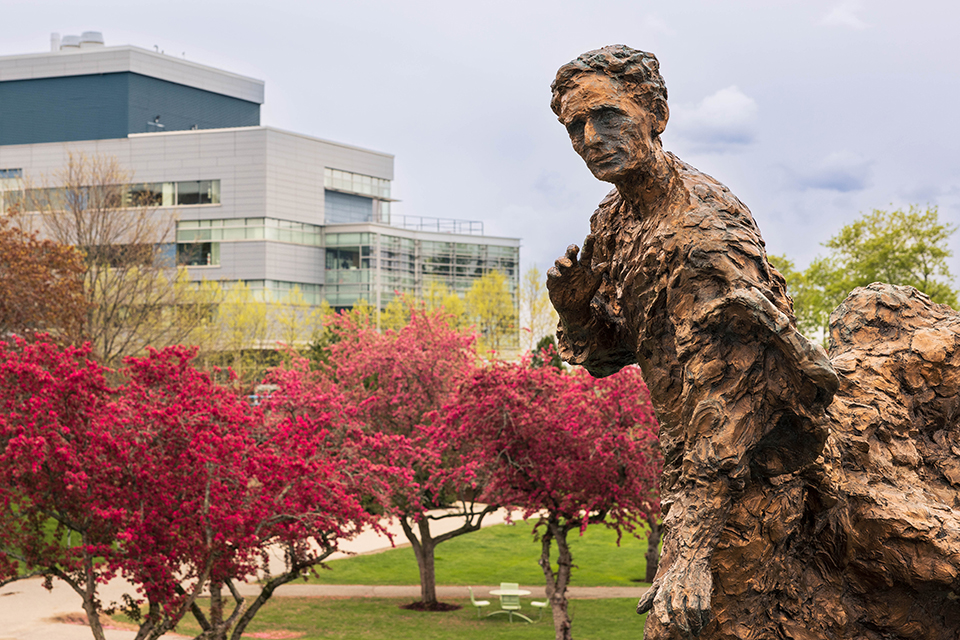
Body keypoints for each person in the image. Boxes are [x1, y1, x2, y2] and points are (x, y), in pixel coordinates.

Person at [546, 45, 839, 637]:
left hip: (753, 475)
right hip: (688, 467)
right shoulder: (615, 219)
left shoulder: (703, 233)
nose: (590, 137)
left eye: (606, 115)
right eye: (575, 126)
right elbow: (611, 354)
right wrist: (577, 308)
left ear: (655, 113)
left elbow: (739, 397)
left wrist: (690, 550)